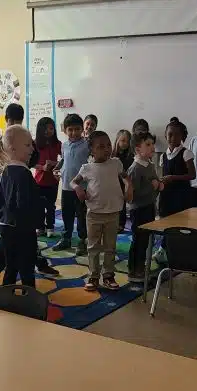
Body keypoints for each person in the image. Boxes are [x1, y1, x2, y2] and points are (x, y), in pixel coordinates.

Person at [0, 137, 59, 291]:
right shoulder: (16, 173)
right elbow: (13, 200)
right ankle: (4, 285)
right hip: (17, 224)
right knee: (14, 257)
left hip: (12, 224)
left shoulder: (15, 172)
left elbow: (0, 198)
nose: (32, 149)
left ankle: (29, 275)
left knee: (20, 254)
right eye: (28, 145)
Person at [72, 131, 131, 291]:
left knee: (110, 247)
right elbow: (73, 182)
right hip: (94, 214)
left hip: (113, 213)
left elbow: (126, 177)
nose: (106, 149)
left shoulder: (116, 163)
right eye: (101, 146)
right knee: (93, 247)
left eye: (108, 145)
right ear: (91, 150)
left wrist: (129, 186)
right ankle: (93, 275)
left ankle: (108, 275)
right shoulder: (87, 168)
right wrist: (78, 188)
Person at [0, 125, 41, 287]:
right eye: (28, 145)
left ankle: (6, 293)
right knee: (27, 266)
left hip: (6, 225)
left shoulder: (5, 171)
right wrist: (37, 220)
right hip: (23, 228)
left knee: (11, 265)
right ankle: (29, 295)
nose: (32, 149)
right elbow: (23, 202)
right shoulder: (24, 173)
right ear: (12, 148)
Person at [53, 114, 90, 254]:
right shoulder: (64, 145)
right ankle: (66, 238)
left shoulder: (87, 145)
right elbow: (63, 159)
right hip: (66, 187)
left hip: (81, 187)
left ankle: (82, 240)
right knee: (66, 214)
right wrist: (56, 168)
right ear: (65, 130)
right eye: (70, 129)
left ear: (82, 129)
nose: (74, 133)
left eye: (77, 129)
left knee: (81, 215)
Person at [127, 132, 161, 282]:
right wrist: (152, 186)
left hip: (149, 206)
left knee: (146, 239)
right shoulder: (135, 168)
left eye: (152, 144)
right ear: (137, 149)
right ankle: (134, 270)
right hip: (139, 209)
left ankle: (141, 266)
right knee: (138, 239)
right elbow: (132, 195)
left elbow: (154, 182)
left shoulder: (150, 165)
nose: (152, 147)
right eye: (148, 144)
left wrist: (159, 185)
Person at [158, 119, 196, 217]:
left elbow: (192, 175)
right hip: (166, 195)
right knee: (165, 221)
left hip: (181, 195)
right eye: (170, 134)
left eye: (177, 135)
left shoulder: (186, 153)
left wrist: (173, 177)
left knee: (180, 221)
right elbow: (163, 175)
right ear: (165, 135)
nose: (173, 138)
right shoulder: (163, 156)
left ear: (182, 136)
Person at [34, 116, 62, 237]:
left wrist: (55, 164)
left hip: (53, 181)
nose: (49, 131)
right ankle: (40, 227)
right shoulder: (35, 144)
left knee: (51, 206)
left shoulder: (57, 144)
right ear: (40, 129)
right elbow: (30, 163)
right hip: (39, 181)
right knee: (39, 206)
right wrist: (42, 167)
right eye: (46, 128)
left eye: (51, 128)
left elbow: (65, 159)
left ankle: (50, 226)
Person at [113, 129, 134, 231]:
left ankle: (121, 224)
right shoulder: (112, 154)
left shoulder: (130, 155)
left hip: (124, 182)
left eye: (127, 141)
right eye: (123, 140)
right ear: (117, 140)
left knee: (122, 204)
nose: (125, 143)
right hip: (113, 182)